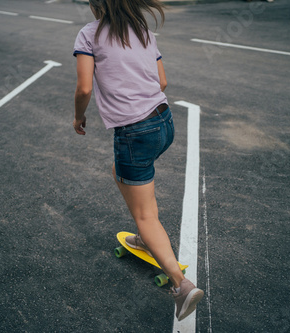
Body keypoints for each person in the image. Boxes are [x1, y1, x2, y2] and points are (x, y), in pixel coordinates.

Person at [73, 0, 203, 321]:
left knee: (143, 210)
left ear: (96, 4)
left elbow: (85, 87)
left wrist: (78, 117)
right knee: (126, 174)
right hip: (164, 122)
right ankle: (146, 239)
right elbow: (162, 82)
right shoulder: (142, 29)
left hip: (134, 132)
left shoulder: (89, 35)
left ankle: (182, 286)